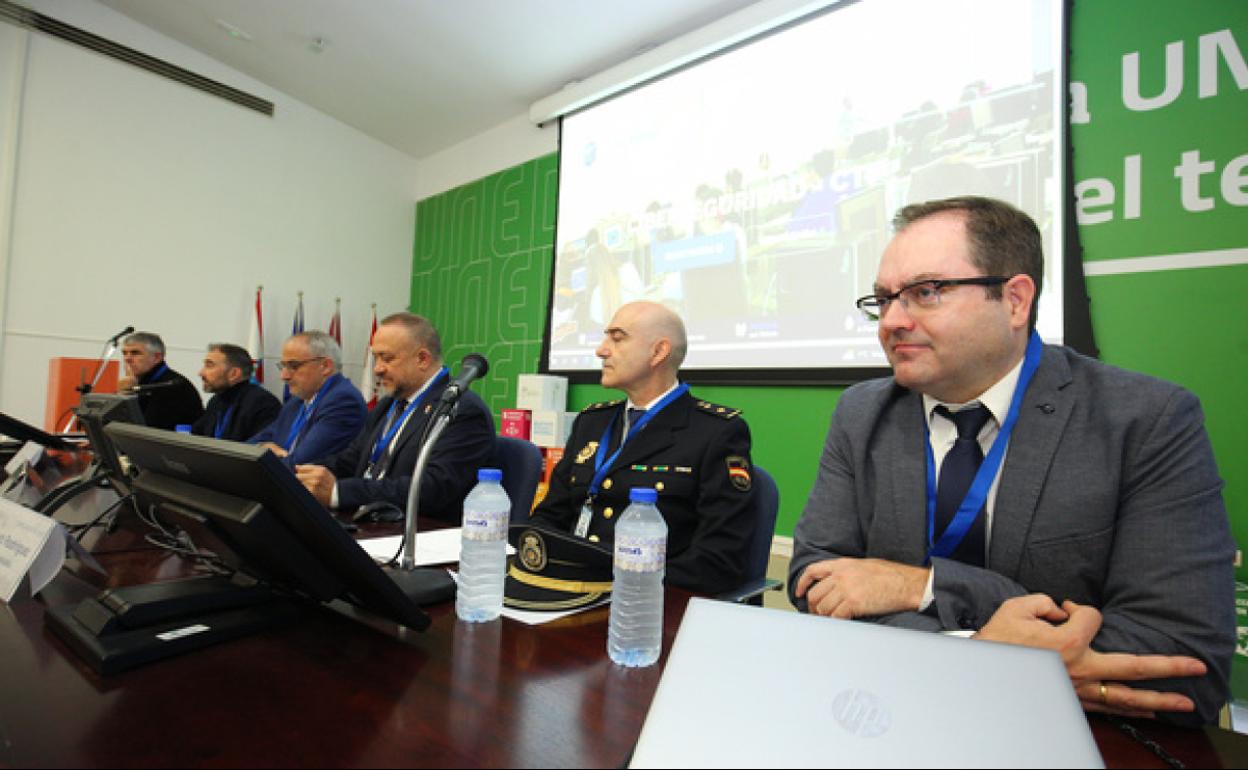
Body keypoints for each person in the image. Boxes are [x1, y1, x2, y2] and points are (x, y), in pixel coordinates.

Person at [787, 195, 1234, 725]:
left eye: (926, 292)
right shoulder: (862, 412)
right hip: (892, 718)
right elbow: (815, 579)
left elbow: (1182, 658)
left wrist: (920, 587)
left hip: (1070, 735)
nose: (892, 321)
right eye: (883, 300)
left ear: (1016, 300)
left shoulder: (1146, 420)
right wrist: (982, 646)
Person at [531, 300, 755, 595]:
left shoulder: (715, 432)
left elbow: (717, 559)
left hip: (649, 602)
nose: (601, 350)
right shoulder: (591, 422)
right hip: (568, 589)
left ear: (658, 352)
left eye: (617, 337)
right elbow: (550, 517)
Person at [294, 313, 494, 519]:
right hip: (369, 520)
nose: (377, 369)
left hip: (417, 532)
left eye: (387, 358)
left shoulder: (460, 410)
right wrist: (301, 477)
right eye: (376, 358)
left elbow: (433, 489)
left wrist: (339, 492)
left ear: (422, 359)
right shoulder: (388, 405)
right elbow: (350, 461)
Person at [249, 331, 366, 468]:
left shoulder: (344, 402)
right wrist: (262, 446)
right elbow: (248, 447)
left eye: (293, 366)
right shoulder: (297, 401)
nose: (284, 376)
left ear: (325, 366)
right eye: (283, 366)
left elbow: (299, 465)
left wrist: (264, 457)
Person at [190, 343, 281, 442]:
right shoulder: (216, 401)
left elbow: (259, 449)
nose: (201, 373)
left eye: (209, 365)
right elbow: (197, 436)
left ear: (234, 374)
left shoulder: (263, 404)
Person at [118, 331, 204, 430]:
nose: (127, 358)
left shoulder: (171, 385)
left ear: (157, 357)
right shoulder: (142, 381)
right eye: (124, 353)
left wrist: (129, 395)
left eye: (135, 353)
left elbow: (145, 431)